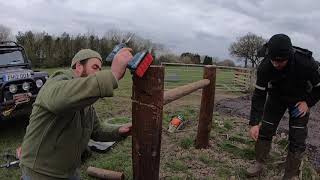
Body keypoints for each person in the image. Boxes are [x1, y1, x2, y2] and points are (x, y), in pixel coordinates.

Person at [20, 48, 133, 180]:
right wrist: (113, 74)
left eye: (100, 70)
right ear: (79, 67)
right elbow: (61, 99)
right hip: (40, 173)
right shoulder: (57, 82)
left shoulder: (85, 101)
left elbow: (97, 130)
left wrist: (120, 130)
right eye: (95, 67)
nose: (98, 73)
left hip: (70, 172)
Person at [246, 34, 320, 179]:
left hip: (300, 100)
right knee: (265, 129)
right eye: (273, 60)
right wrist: (254, 123)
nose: (276, 64)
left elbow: (319, 87)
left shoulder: (306, 63)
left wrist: (308, 102)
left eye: (281, 61)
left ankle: (290, 174)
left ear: (290, 55)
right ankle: (259, 163)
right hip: (276, 98)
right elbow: (259, 95)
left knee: (297, 138)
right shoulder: (265, 67)